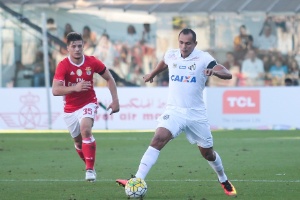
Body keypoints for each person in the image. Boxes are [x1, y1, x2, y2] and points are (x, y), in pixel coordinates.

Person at [116, 28, 237, 197]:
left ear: (195, 44)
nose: (184, 46)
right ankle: (136, 179)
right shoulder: (171, 54)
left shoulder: (204, 58)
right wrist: (152, 73)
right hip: (174, 111)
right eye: (181, 42)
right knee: (158, 138)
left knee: (208, 153)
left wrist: (214, 71)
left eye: (188, 43)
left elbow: (227, 73)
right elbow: (164, 63)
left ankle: (223, 179)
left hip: (196, 114)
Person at [52, 32, 120, 182]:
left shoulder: (92, 62)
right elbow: (55, 90)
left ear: (84, 46)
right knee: (77, 142)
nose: (77, 49)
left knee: (86, 130)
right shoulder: (63, 65)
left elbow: (109, 78)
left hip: (88, 102)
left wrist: (115, 100)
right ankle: (91, 165)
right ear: (68, 47)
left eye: (80, 46)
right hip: (70, 108)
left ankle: (89, 169)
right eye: (73, 46)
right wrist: (74, 88)